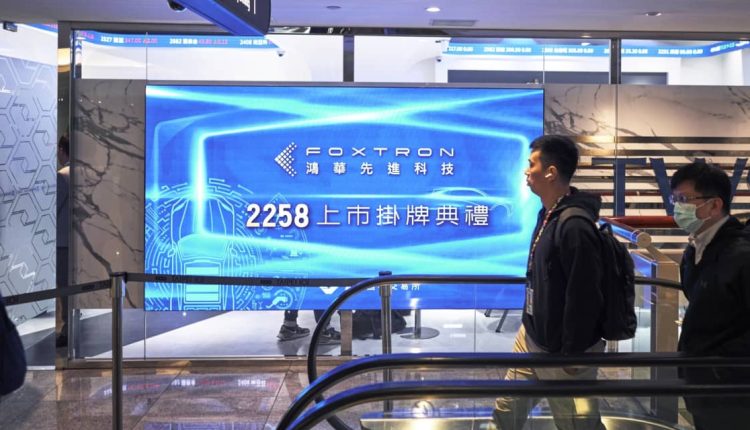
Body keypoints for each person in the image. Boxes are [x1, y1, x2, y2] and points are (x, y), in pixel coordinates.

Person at [492, 135, 606, 430]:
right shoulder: (548, 214)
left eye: (531, 164)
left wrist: (573, 355)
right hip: (532, 336)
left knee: (577, 425)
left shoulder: (575, 225)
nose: (526, 171)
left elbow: (586, 295)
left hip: (564, 354)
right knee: (505, 413)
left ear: (551, 172)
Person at [670, 161, 750, 430]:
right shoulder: (695, 249)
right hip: (703, 383)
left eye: (684, 200)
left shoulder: (741, 255)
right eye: (675, 200)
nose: (677, 207)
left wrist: (719, 367)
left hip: (732, 392)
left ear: (715, 205)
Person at [56, 135, 70, 348]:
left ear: (61, 149)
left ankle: (67, 329)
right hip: (77, 240)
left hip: (62, 241)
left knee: (64, 287)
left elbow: (54, 207)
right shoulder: (84, 172)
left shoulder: (62, 175)